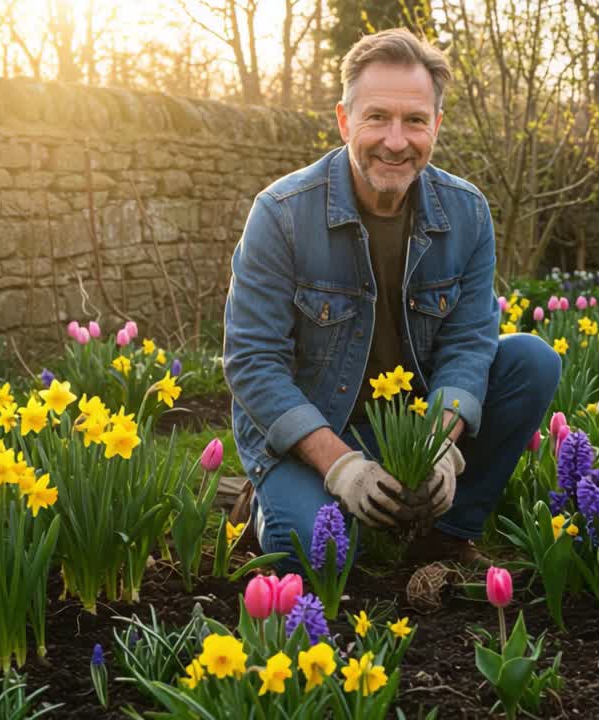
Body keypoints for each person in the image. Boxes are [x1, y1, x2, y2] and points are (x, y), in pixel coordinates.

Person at [222, 28, 561, 569]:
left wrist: (440, 448)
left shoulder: (467, 213)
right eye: (377, 117)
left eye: (415, 121)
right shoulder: (282, 213)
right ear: (343, 120)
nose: (396, 141)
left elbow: (470, 345)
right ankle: (267, 502)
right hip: (315, 435)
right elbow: (252, 363)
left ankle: (445, 535)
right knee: (320, 552)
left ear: (437, 127)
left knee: (531, 360)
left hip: (411, 428)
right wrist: (341, 467)